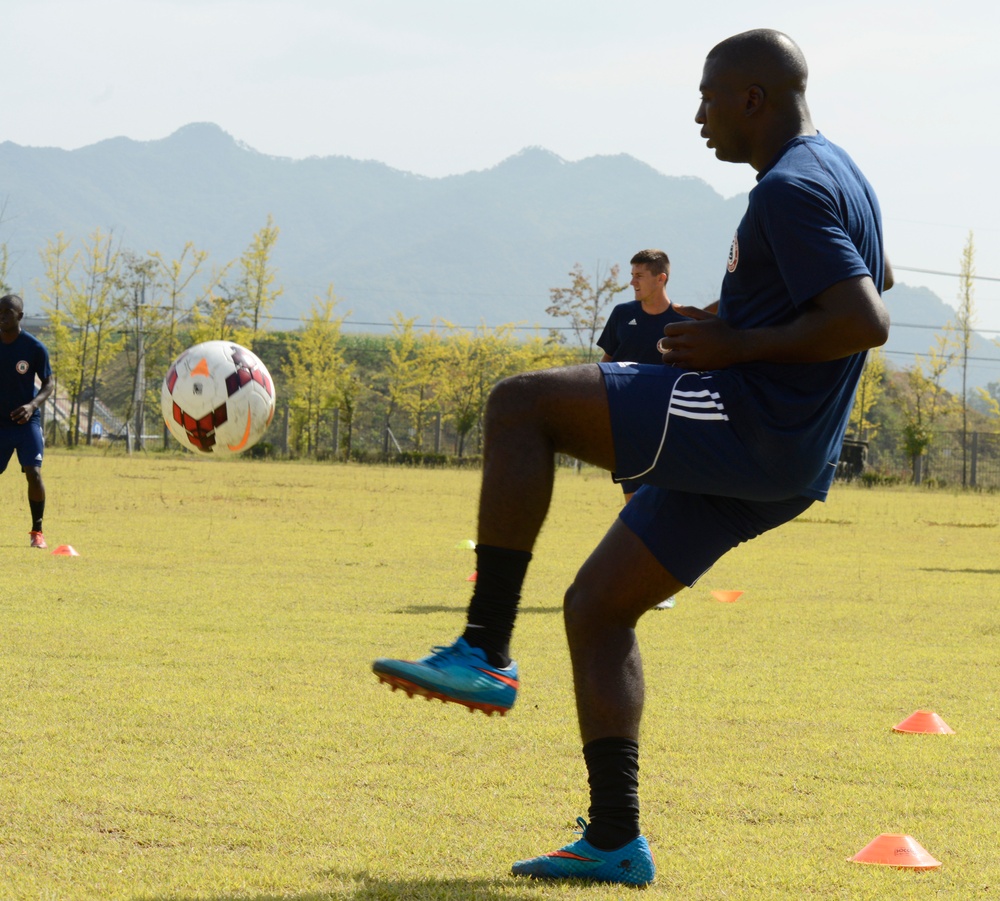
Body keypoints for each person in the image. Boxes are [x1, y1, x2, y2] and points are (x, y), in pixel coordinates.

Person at [373, 28, 891, 887]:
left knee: (520, 404)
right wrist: (733, 320)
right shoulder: (840, 174)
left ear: (753, 99)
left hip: (745, 422)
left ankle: (484, 647)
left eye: (708, 97)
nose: (698, 116)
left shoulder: (792, 189)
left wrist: (735, 344)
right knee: (596, 606)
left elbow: (863, 319)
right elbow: (841, 301)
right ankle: (615, 837)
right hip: (783, 458)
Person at [0, 294, 54, 548]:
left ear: (19, 316)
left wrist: (32, 406)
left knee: (33, 472)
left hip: (26, 423)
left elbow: (48, 383)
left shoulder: (33, 348)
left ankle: (37, 532)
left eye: (7, 312)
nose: (1, 316)